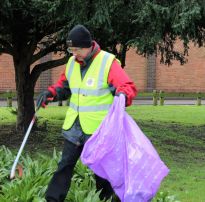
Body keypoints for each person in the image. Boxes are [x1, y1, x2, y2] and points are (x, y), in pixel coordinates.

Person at [36, 24, 137, 202]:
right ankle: (52, 200)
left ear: (89, 45)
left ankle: (106, 198)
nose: (74, 54)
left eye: (77, 49)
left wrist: (123, 94)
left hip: (98, 130)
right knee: (64, 165)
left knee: (102, 171)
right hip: (74, 127)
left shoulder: (107, 62)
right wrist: (51, 93)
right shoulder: (72, 63)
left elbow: (126, 86)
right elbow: (64, 86)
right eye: (71, 50)